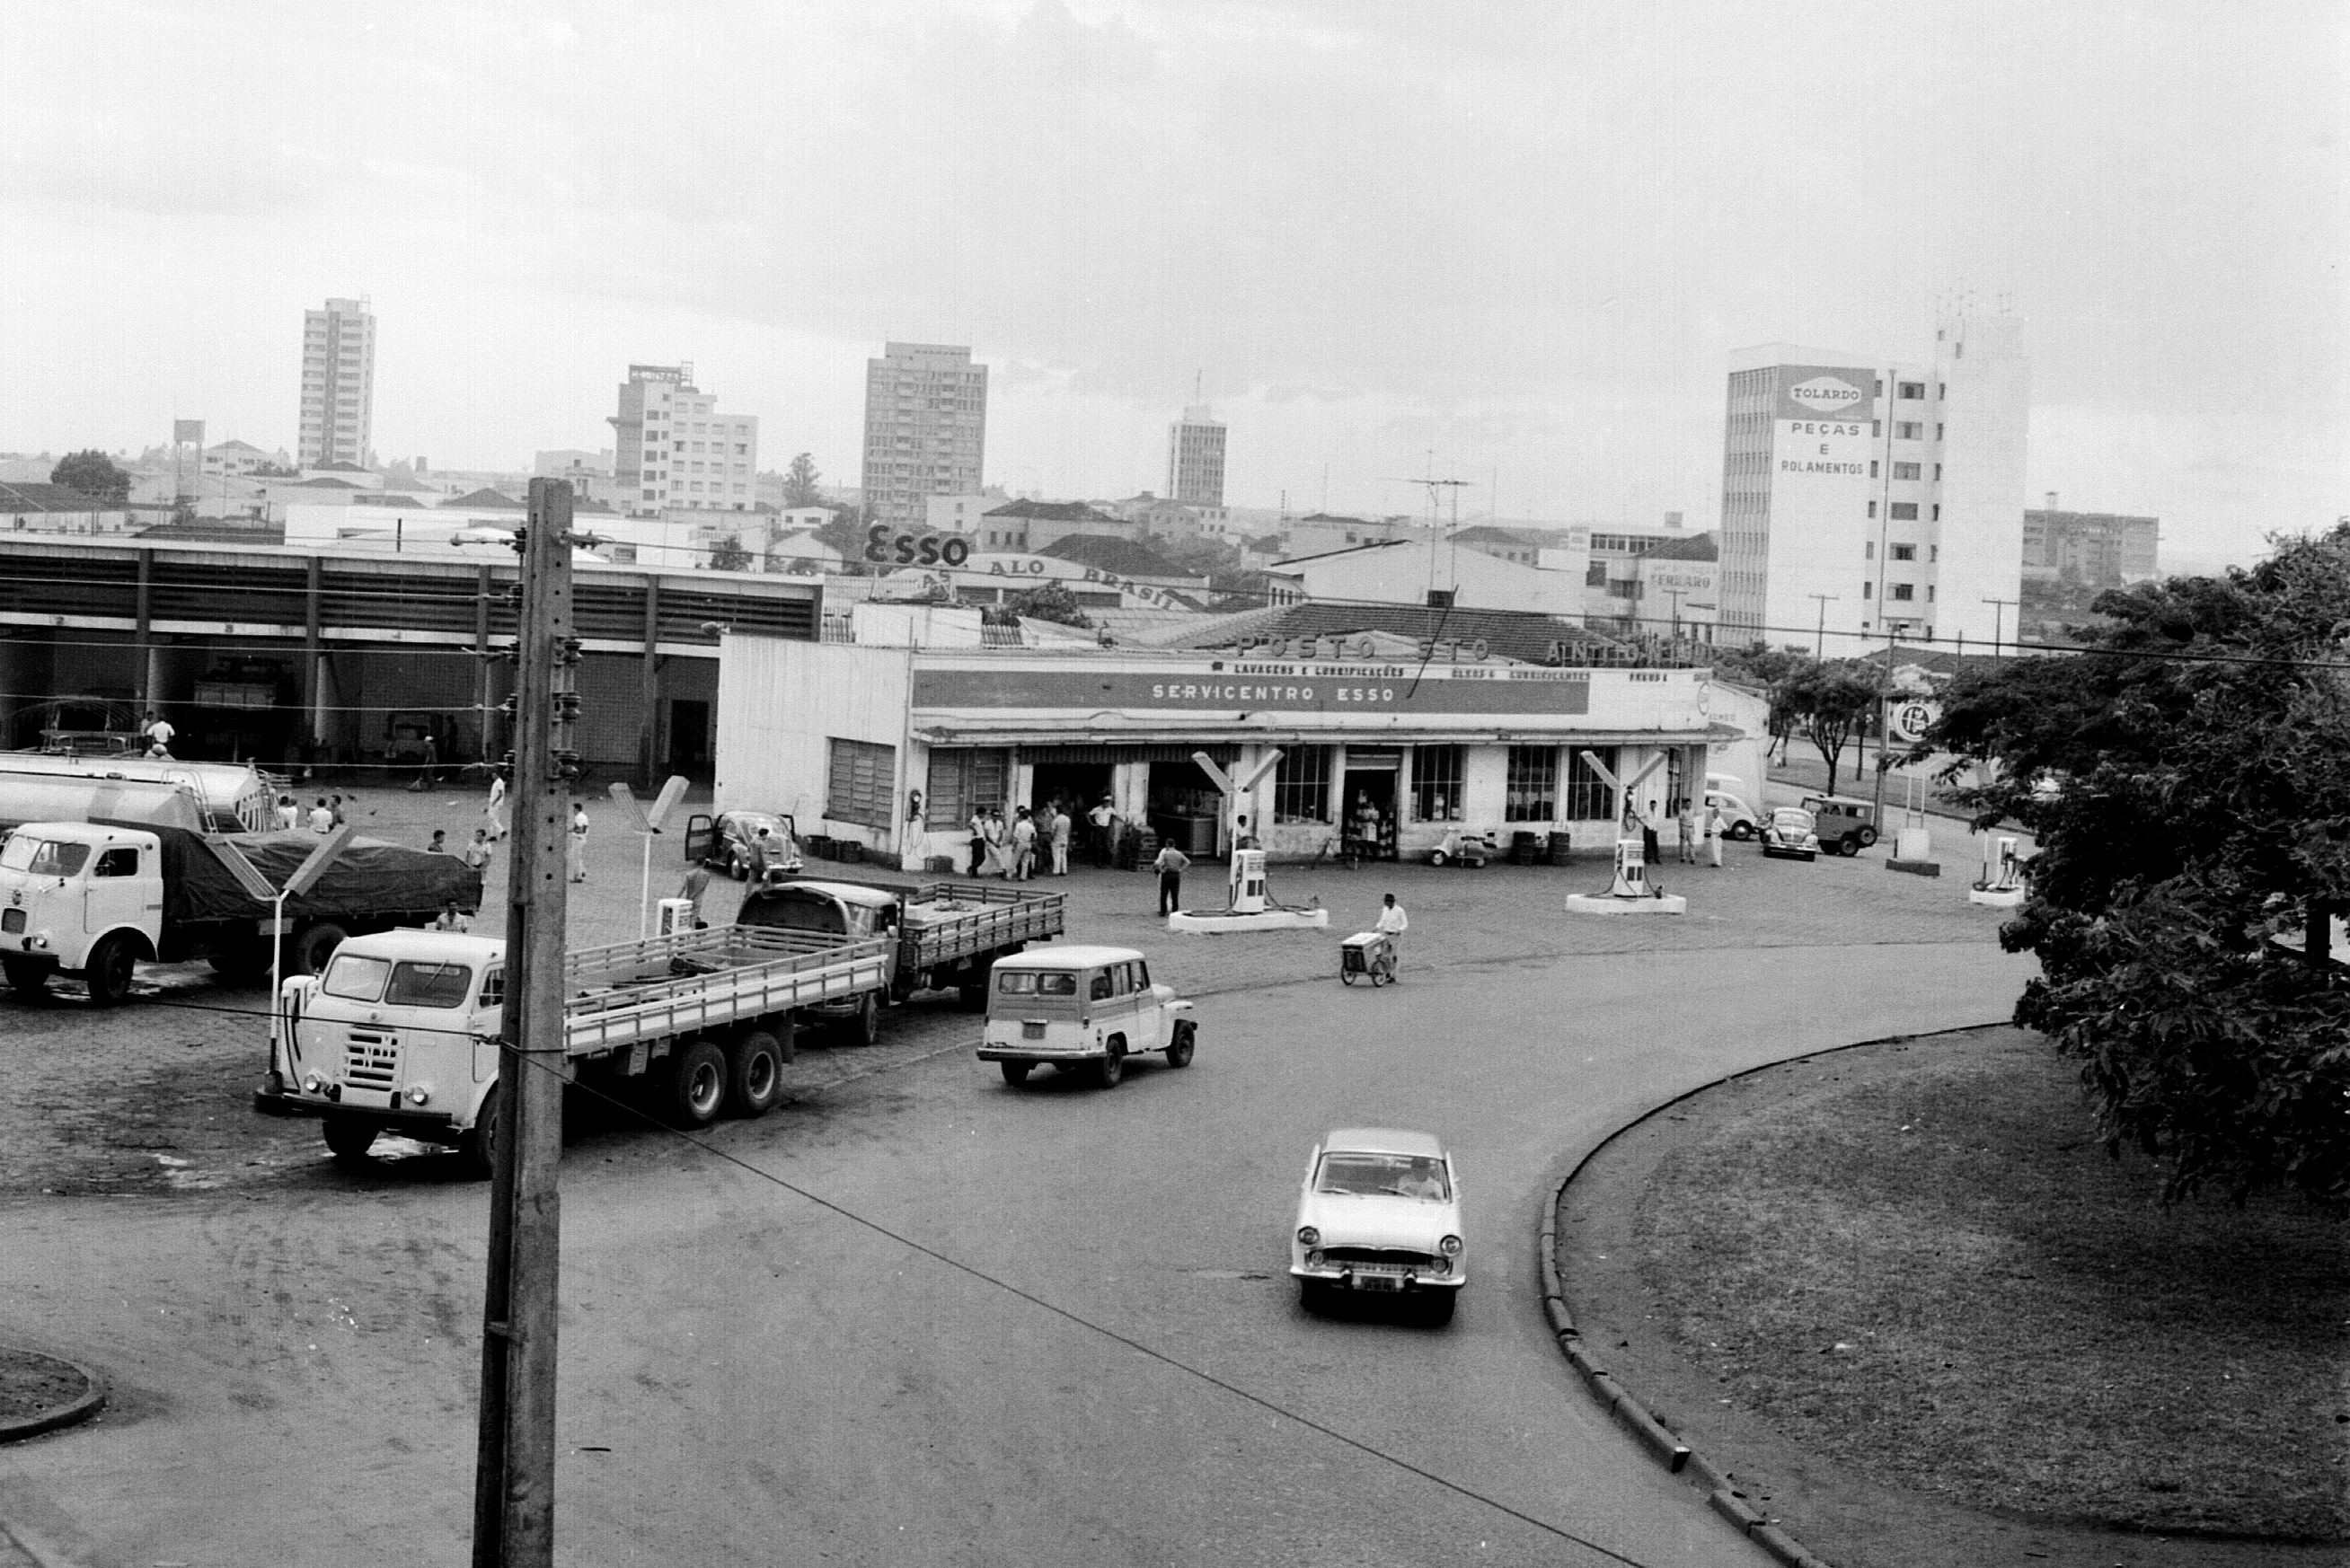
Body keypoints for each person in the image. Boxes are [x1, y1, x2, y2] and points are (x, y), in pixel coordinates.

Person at [1374, 891, 1408, 980]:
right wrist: (1377, 927)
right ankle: (1387, 972)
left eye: (1386, 902)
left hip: (1395, 936)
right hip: (1386, 934)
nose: (1385, 903)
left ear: (1391, 902)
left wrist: (1399, 930)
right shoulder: (1385, 909)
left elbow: (1405, 923)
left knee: (1394, 956)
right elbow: (1382, 920)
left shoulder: (1400, 910)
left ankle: (1393, 975)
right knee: (1384, 954)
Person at [1153, 839, 1189, 915]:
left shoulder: (1165, 853)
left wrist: (1161, 870)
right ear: (1174, 845)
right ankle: (1175, 910)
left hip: (1167, 873)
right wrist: (1180, 869)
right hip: (1176, 874)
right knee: (1175, 893)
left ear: (1167, 844)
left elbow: (1158, 863)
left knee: (1164, 893)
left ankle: (1163, 911)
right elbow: (1187, 862)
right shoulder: (1179, 853)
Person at [677, 860, 712, 928]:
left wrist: (676, 898)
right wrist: (694, 895)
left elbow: (683, 888)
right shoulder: (706, 875)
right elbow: (702, 887)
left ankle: (697, 931)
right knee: (693, 918)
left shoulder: (689, 874)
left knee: (688, 916)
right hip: (697, 900)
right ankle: (692, 933)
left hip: (688, 899)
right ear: (704, 863)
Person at [1011, 806, 1038, 882]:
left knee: (1015, 860)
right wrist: (1031, 843)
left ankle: (1010, 875)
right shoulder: (1031, 826)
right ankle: (1023, 877)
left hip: (1020, 843)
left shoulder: (1019, 825)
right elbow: (1034, 836)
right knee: (1025, 861)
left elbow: (1015, 836)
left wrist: (1013, 846)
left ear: (1021, 816)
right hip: (1028, 844)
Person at [1087, 796, 1115, 867]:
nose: (1108, 804)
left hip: (1106, 828)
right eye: (1107, 802)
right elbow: (1088, 814)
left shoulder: (1110, 809)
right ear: (1104, 803)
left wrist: (1124, 822)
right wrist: (1092, 823)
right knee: (1097, 845)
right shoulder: (1097, 809)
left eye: (1109, 802)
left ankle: (1105, 861)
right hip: (1098, 828)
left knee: (1106, 845)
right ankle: (1098, 862)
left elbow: (1116, 815)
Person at [568, 800, 590, 883]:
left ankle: (579, 876)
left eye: (573, 809)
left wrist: (571, 830)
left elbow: (581, 829)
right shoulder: (583, 816)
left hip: (578, 839)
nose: (572, 811)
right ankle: (581, 872)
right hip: (580, 839)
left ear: (577, 809)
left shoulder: (579, 817)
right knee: (575, 857)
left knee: (575, 858)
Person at [1049, 800, 1072, 876]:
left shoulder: (1056, 820)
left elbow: (1053, 831)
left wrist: (1052, 838)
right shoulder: (1067, 819)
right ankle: (1064, 870)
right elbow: (1068, 830)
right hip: (1065, 839)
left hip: (1057, 839)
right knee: (1063, 855)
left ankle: (1056, 871)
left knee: (1056, 856)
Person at [485, 768, 508, 841]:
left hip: (496, 803)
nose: (493, 776)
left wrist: (494, 802)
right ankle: (493, 836)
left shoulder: (499, 782)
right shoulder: (497, 782)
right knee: (493, 820)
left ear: (497, 775)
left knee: (492, 819)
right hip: (495, 803)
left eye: (494, 775)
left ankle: (502, 831)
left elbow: (501, 794)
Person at [1704, 798, 1727, 868]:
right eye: (1713, 813)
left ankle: (1718, 862)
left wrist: (1721, 833)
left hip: (1717, 835)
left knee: (1717, 849)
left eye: (1715, 813)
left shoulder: (1720, 820)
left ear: (1717, 813)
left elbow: (1725, 827)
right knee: (1713, 848)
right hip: (1713, 834)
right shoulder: (1715, 819)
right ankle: (1715, 861)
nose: (1713, 814)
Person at [1676, 798, 1699, 865]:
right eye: (1687, 804)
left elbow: (1692, 821)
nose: (1688, 805)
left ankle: (1692, 858)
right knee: (1683, 843)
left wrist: (1693, 829)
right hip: (1684, 827)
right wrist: (1680, 831)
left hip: (1690, 828)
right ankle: (1683, 857)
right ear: (1685, 804)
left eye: (1690, 804)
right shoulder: (1682, 812)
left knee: (1691, 843)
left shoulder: (1692, 811)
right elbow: (1680, 822)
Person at [967, 806, 988, 878]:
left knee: (979, 857)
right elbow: (970, 825)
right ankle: (973, 870)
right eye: (983, 814)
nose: (983, 816)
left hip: (980, 839)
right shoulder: (975, 818)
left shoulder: (978, 819)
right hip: (977, 840)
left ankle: (973, 870)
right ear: (979, 813)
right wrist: (975, 831)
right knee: (979, 857)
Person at [1639, 800, 1661, 866]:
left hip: (1654, 829)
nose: (1653, 807)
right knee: (1648, 844)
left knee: (1655, 844)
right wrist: (1644, 823)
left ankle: (1656, 858)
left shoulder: (1657, 812)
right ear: (1650, 805)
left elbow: (1657, 821)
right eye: (1652, 805)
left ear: (1656, 805)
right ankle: (1647, 858)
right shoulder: (1646, 811)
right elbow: (1639, 816)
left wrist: (1656, 829)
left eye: (1654, 805)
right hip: (1648, 828)